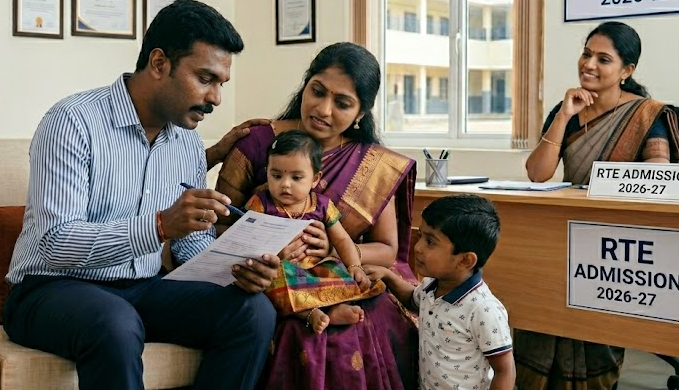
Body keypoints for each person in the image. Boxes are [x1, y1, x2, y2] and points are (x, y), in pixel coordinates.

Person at [3, 0, 280, 390]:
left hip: (142, 288)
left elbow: (191, 247)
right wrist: (159, 226)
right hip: (50, 289)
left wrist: (236, 269)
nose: (216, 97)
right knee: (114, 321)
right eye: (205, 79)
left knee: (253, 313)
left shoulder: (186, 143)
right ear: (159, 63)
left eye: (221, 83)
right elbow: (54, 243)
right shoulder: (72, 122)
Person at [216, 42, 419, 390]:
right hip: (267, 274)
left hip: (335, 272)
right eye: (317, 91)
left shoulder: (373, 164)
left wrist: (331, 248)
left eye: (342, 103)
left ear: (361, 114)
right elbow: (218, 223)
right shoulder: (258, 142)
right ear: (305, 85)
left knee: (362, 317)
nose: (323, 109)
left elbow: (387, 249)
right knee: (303, 327)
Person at [519, 21, 679, 389]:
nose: (589, 64)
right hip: (566, 229)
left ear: (627, 71)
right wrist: (563, 115)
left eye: (603, 59)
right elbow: (537, 173)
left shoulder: (646, 116)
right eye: (586, 53)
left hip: (616, 242)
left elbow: (658, 179)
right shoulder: (569, 109)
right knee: (533, 288)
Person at [372, 194, 514, 390]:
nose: (418, 247)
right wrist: (387, 276)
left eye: (430, 242)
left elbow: (504, 370)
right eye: (420, 236)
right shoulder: (432, 285)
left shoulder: (483, 309)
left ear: (465, 261)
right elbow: (413, 300)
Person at [246, 130, 381, 334]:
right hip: (281, 268)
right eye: (276, 175)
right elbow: (248, 241)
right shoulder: (261, 204)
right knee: (275, 281)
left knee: (337, 269)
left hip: (314, 267)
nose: (285, 184)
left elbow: (343, 239)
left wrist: (354, 266)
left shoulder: (322, 205)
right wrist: (274, 255)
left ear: (315, 179)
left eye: (296, 177)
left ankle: (334, 308)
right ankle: (309, 314)